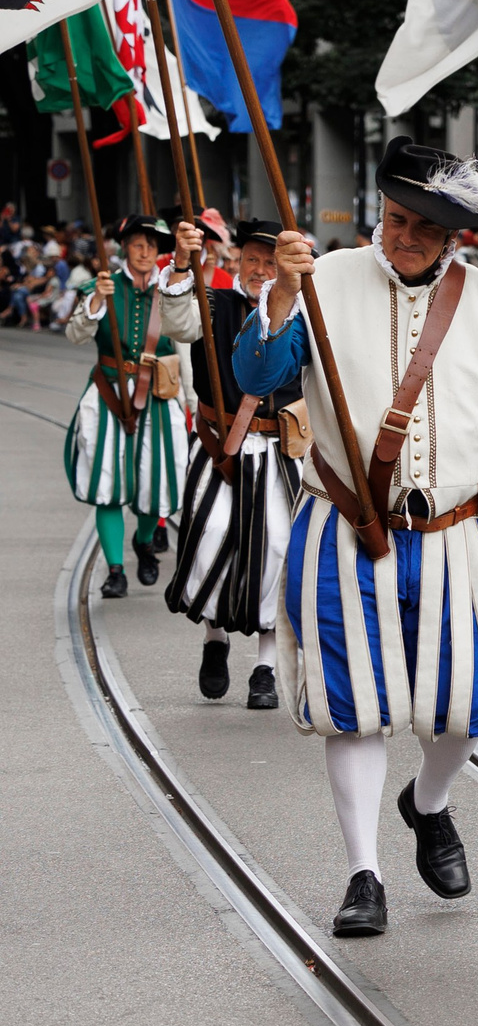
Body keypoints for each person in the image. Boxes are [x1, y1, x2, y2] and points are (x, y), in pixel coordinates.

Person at [229, 139, 478, 945]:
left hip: (453, 537)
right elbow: (257, 374)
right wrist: (281, 292)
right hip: (342, 527)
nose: (402, 236)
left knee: (465, 709)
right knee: (353, 710)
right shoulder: (322, 282)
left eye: (421, 226)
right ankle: (364, 874)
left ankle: (428, 802)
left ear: (455, 236)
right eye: (393, 220)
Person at [166, 216, 302, 708]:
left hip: (279, 451)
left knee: (279, 554)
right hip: (218, 448)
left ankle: (265, 667)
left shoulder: (302, 315)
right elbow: (177, 323)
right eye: (252, 259)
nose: (261, 270)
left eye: (270, 261)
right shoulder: (211, 302)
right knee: (211, 541)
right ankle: (215, 639)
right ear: (237, 261)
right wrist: (183, 262)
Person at [67, 213, 204, 598]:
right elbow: (75, 335)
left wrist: (191, 405)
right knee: (107, 484)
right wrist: (96, 299)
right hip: (108, 392)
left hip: (158, 397)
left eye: (152, 245)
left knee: (154, 485)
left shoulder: (172, 291)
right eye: (138, 244)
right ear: (124, 246)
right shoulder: (101, 286)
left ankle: (145, 542)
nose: (145, 252)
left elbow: (186, 352)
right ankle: (114, 571)